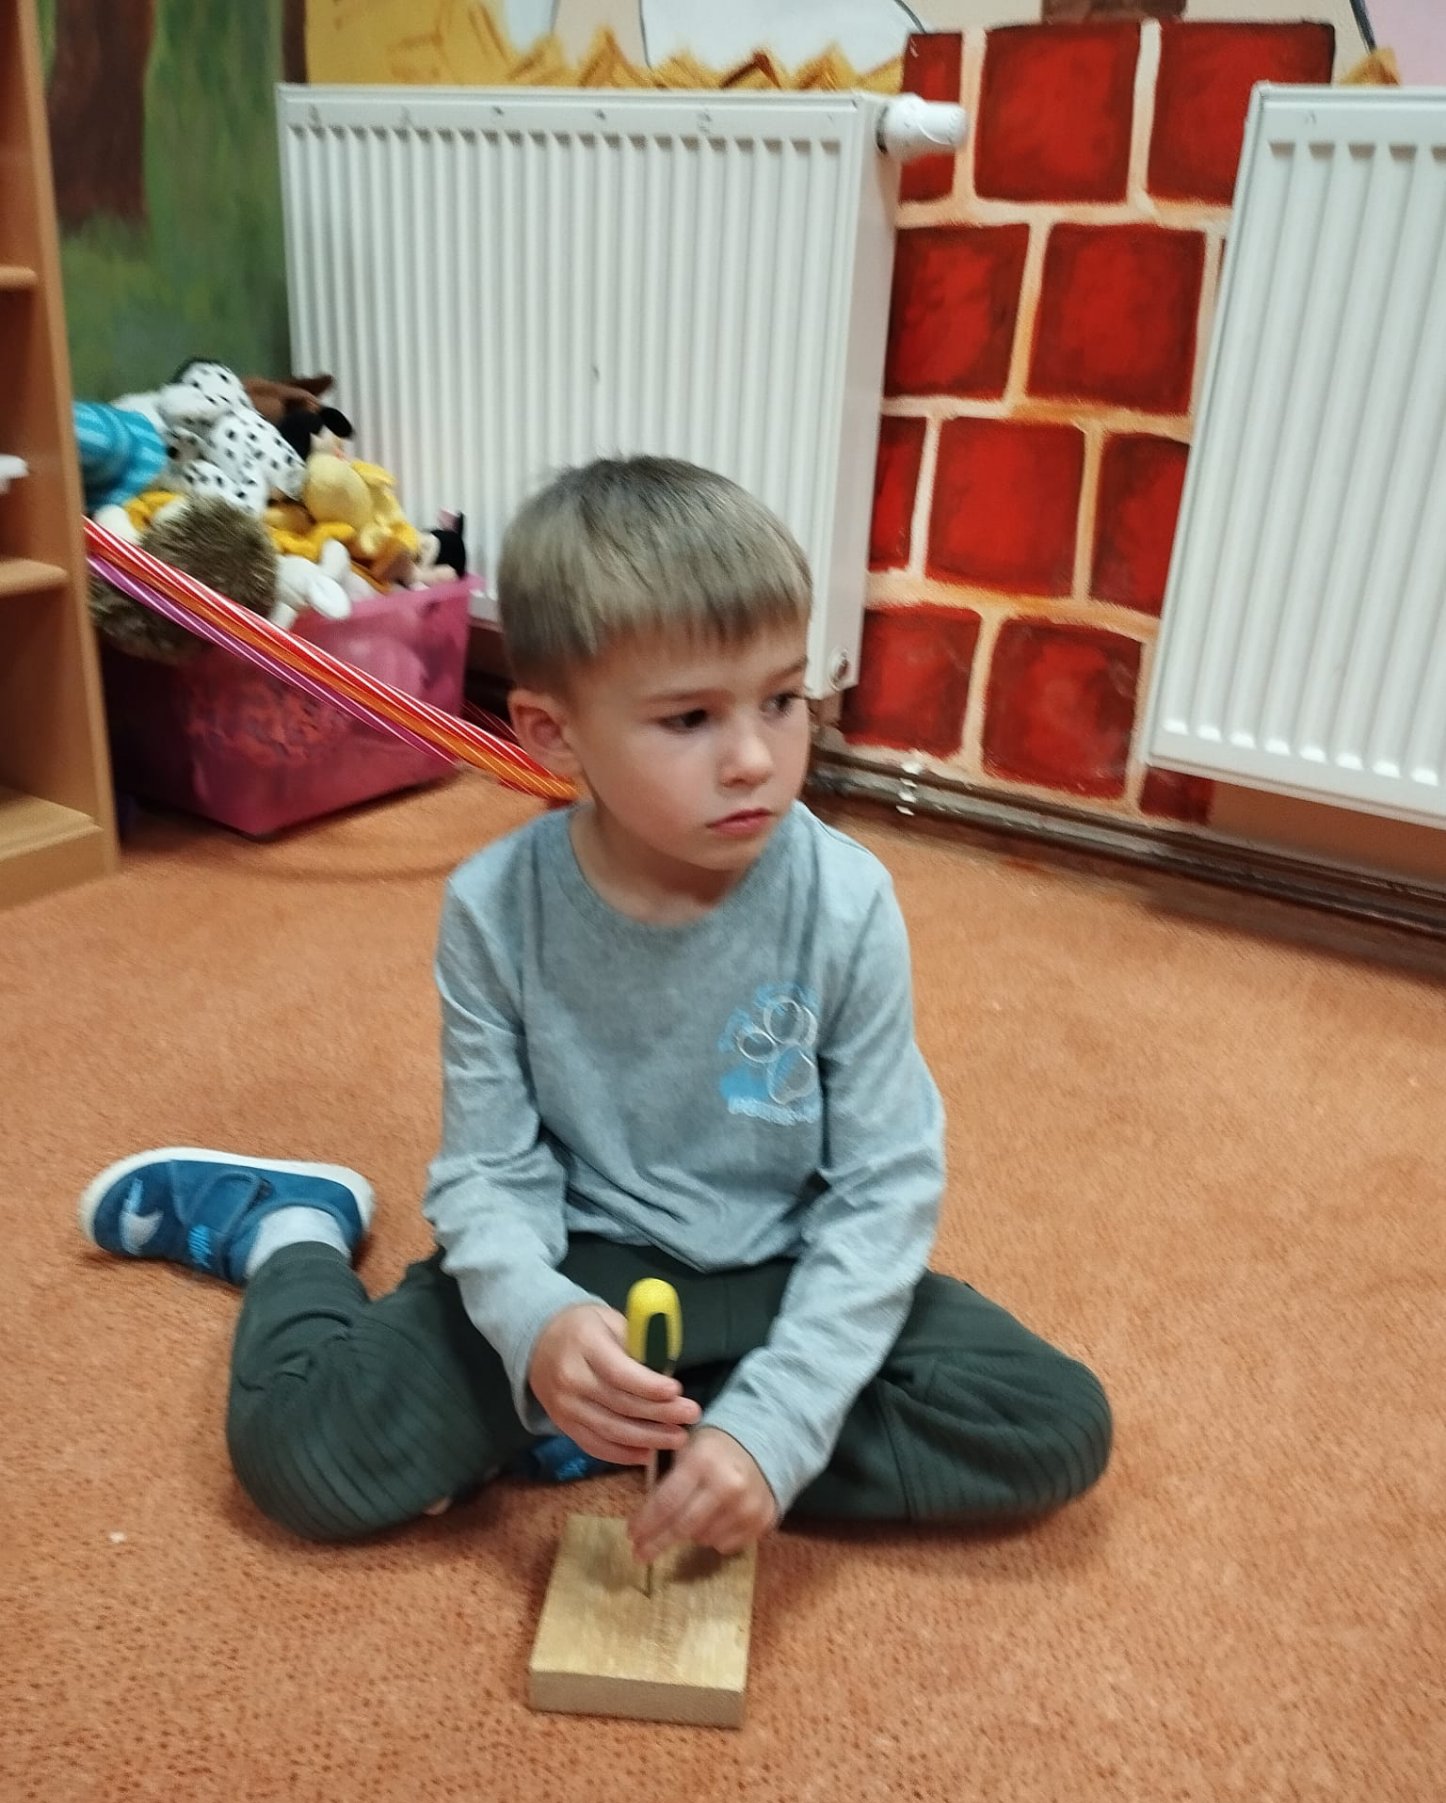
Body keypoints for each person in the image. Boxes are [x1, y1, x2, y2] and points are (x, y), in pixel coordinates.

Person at [79, 456, 1111, 1554]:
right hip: (578, 1259)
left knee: (1048, 1423)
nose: (755, 759)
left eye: (782, 700)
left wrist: (777, 1429)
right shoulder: (494, 908)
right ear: (553, 735)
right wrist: (538, 1324)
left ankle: (634, 1428)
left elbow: (884, 1189)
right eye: (690, 718)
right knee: (305, 1454)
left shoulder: (847, 902)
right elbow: (487, 1173)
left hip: (785, 1271)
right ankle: (291, 1231)